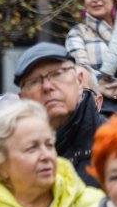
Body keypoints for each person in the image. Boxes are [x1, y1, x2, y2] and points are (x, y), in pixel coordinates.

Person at [14, 42, 106, 187]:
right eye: (34, 81)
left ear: (80, 81)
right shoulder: (14, 156)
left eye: (57, 74)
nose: (47, 87)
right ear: (22, 99)